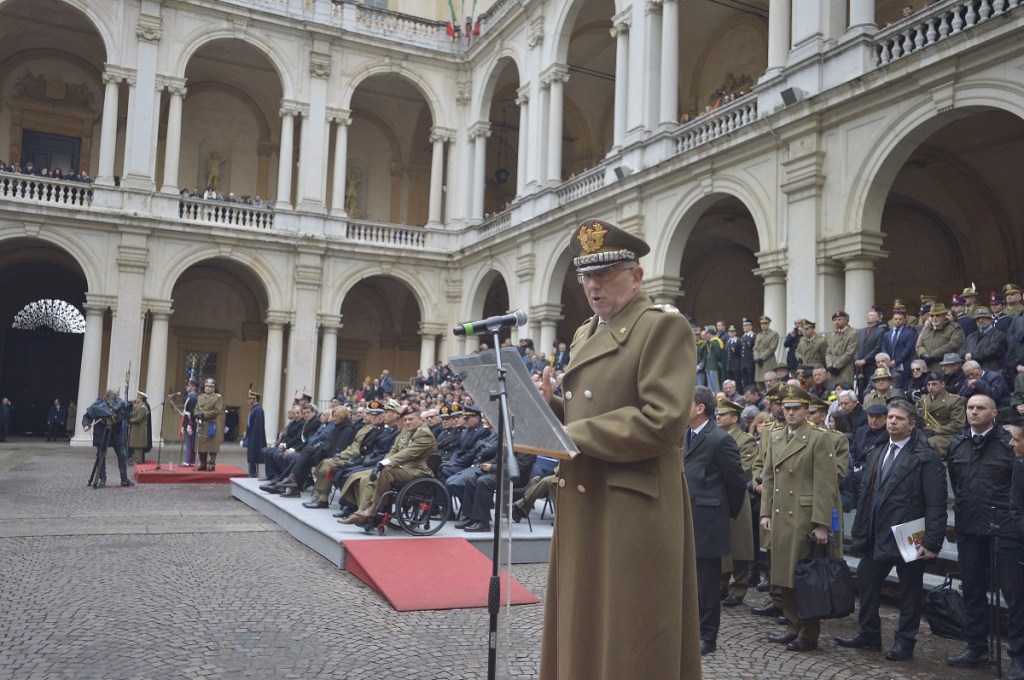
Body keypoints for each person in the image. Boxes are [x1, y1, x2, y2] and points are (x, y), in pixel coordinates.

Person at [534, 219, 701, 679]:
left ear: (637, 276)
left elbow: (663, 421)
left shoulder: (661, 327)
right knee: (584, 623)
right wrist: (549, 405)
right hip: (588, 494)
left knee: (630, 634)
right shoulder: (587, 331)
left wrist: (572, 433)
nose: (593, 285)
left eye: (605, 274)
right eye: (586, 276)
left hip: (631, 505)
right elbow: (590, 406)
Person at [837, 400, 946, 661]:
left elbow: (936, 502)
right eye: (890, 417)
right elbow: (867, 493)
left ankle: (905, 642)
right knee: (867, 579)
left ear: (912, 424)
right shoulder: (878, 450)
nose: (892, 422)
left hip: (910, 532)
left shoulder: (925, 457)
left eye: (899, 418)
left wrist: (932, 541)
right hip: (877, 530)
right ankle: (869, 634)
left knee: (909, 590)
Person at [759, 384, 839, 652]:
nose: (790, 413)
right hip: (780, 515)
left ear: (806, 411)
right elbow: (769, 477)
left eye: (796, 409)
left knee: (804, 577)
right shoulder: (775, 436)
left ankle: (809, 633)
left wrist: (822, 524)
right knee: (782, 577)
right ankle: (793, 625)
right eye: (787, 408)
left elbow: (825, 484)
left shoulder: (818, 438)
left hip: (803, 517)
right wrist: (765, 512)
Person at [946, 394, 1024, 669]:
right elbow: (956, 482)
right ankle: (975, 646)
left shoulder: (1009, 443)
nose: (974, 412)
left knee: (1015, 595)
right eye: (970, 407)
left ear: (994, 414)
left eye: (980, 408)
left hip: (1006, 529)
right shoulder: (957, 443)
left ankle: (1018, 657)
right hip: (969, 526)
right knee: (972, 589)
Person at [683, 387, 746, 656]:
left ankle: (707, 636)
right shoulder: (684, 435)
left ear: (700, 408)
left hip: (708, 521)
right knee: (688, 581)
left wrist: (724, 513)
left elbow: (737, 482)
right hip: (685, 517)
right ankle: (689, 631)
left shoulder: (720, 439)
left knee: (707, 585)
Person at [339, 405, 437, 525]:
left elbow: (407, 453)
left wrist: (383, 463)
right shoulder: (406, 431)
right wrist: (382, 463)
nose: (407, 422)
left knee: (386, 470)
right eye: (405, 420)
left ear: (420, 419)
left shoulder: (424, 434)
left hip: (418, 471)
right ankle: (361, 512)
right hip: (402, 469)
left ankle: (373, 508)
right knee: (372, 476)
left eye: (411, 419)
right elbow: (394, 450)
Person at [714, 395, 758, 609]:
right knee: (722, 546)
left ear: (734, 418)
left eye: (722, 414)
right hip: (719, 497)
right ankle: (721, 585)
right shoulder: (715, 437)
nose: (718, 418)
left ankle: (739, 587)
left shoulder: (745, 440)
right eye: (717, 414)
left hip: (738, 498)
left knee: (739, 548)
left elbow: (744, 469)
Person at [82, 389, 134, 488]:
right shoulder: (98, 405)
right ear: (106, 396)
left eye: (116, 399)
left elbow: (127, 415)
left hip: (116, 434)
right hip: (102, 434)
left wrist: (130, 410)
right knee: (101, 457)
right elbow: (87, 416)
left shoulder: (120, 404)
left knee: (122, 455)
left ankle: (124, 479)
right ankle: (102, 479)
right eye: (113, 399)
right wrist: (86, 424)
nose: (115, 401)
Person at [917, 371, 965, 458]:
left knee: (929, 443)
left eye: (934, 384)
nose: (931, 387)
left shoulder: (954, 401)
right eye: (928, 384)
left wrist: (935, 431)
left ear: (943, 385)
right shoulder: (923, 400)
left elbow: (957, 424)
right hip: (925, 433)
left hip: (945, 435)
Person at [195, 377, 224, 471]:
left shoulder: (217, 397)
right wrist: (197, 414)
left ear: (214, 388)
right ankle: (203, 463)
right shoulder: (200, 397)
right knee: (202, 446)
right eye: (206, 386)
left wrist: (204, 414)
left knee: (212, 446)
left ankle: (211, 464)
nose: (207, 388)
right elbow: (196, 408)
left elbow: (217, 410)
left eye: (210, 386)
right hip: (202, 424)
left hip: (211, 423)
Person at [826, 311, 858, 387]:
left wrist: (836, 366)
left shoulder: (853, 333)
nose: (836, 322)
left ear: (846, 320)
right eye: (835, 320)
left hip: (845, 368)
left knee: (844, 389)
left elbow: (849, 352)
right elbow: (828, 352)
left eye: (839, 319)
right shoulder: (831, 334)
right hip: (832, 369)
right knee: (831, 390)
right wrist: (829, 365)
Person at [243, 388, 267, 477]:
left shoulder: (258, 410)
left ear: (255, 399)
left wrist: (252, 437)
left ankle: (253, 474)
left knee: (253, 456)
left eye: (250, 398)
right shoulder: (254, 409)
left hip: (255, 437)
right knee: (251, 456)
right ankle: (252, 473)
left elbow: (257, 426)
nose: (248, 400)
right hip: (251, 436)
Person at [753, 316, 780, 390]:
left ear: (768, 324)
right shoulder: (758, 335)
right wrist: (756, 357)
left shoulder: (773, 334)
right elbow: (755, 348)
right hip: (759, 362)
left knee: (769, 381)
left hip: (768, 361)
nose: (763, 325)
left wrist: (762, 357)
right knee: (759, 383)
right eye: (762, 324)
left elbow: (772, 348)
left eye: (765, 323)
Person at [127, 392, 152, 465]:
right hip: (137, 429)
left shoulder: (142, 408)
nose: (136, 399)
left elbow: (138, 419)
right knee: (136, 446)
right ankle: (137, 461)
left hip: (139, 430)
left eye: (138, 397)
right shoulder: (139, 406)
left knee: (138, 447)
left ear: (141, 399)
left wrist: (129, 421)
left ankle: (138, 461)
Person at [180, 380, 198, 466]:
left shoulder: (193, 397)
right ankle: (190, 460)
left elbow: (192, 412)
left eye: (188, 385)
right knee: (189, 441)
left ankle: (188, 460)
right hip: (188, 420)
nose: (186, 387)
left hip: (190, 422)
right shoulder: (190, 396)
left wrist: (190, 424)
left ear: (193, 387)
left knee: (190, 442)